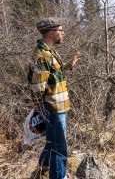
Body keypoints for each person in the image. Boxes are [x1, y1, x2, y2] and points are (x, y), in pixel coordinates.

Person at [28, 18, 80, 179]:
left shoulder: (49, 52)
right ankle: (58, 176)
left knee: (51, 141)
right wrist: (38, 104)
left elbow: (53, 75)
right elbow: (38, 85)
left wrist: (69, 64)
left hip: (55, 106)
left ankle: (43, 168)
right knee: (59, 146)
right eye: (60, 30)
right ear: (51, 32)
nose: (63, 33)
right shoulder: (42, 55)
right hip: (53, 108)